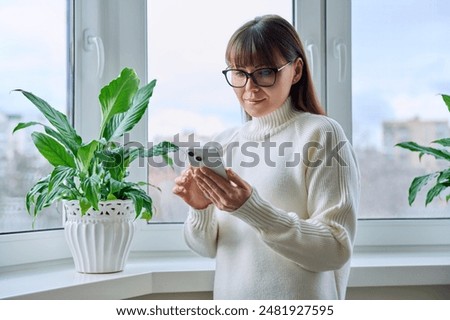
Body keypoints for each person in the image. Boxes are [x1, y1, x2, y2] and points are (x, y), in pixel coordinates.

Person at [173, 14, 360, 300]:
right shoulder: (224, 143)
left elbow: (335, 249)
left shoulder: (321, 134)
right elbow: (207, 249)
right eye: (238, 73)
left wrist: (251, 208)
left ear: (296, 71)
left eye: (264, 72)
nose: (249, 87)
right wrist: (200, 208)